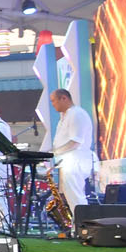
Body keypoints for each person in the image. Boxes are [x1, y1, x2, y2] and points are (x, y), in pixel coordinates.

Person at [49, 89, 96, 228]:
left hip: (75, 160)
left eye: (54, 101)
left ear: (64, 98)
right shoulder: (66, 116)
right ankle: (78, 226)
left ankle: (83, 226)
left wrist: (53, 153)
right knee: (71, 196)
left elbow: (76, 142)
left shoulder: (76, 114)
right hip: (67, 160)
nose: (53, 104)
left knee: (76, 195)